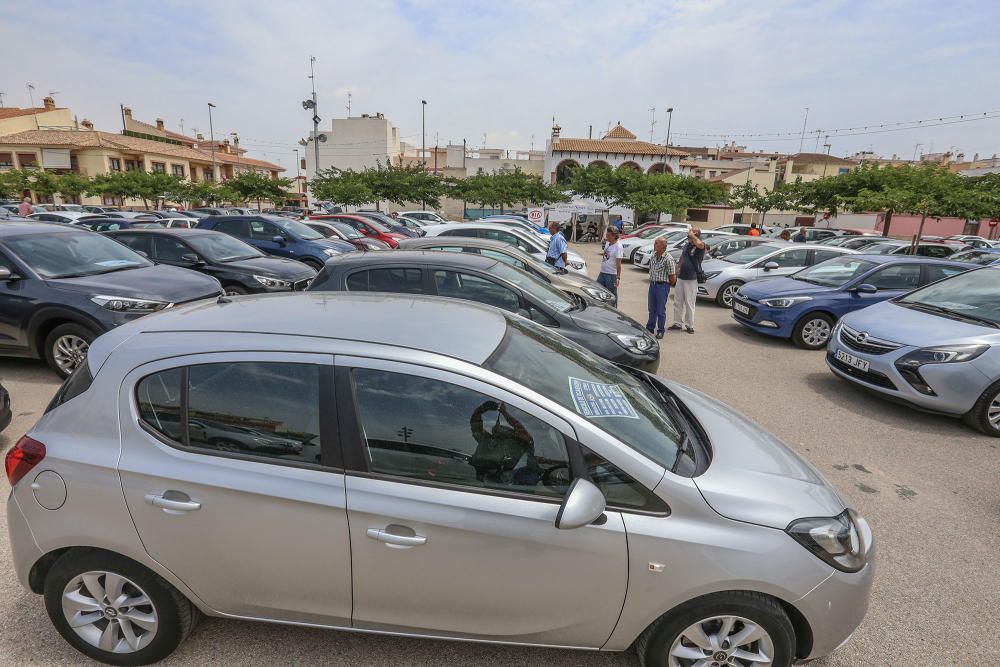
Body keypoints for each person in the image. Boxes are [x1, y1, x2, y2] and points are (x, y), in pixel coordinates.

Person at [669, 227, 706, 334]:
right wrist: (677, 268)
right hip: (681, 277)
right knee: (677, 302)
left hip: (691, 278)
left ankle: (690, 325)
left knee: (689, 303)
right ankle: (677, 323)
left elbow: (699, 244)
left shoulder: (700, 245)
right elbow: (683, 257)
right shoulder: (687, 244)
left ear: (696, 234)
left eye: (691, 231)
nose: (688, 232)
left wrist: (692, 235)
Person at [646, 237, 677, 339]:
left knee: (660, 310)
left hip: (662, 286)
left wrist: (666, 285)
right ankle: (650, 328)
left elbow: (672, 277)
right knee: (651, 308)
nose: (654, 244)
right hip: (653, 285)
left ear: (663, 247)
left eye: (656, 243)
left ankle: (660, 330)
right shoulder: (654, 256)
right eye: (655, 243)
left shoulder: (668, 259)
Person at [598, 227, 623, 305]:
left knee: (612, 296)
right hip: (602, 273)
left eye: (608, 235)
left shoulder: (618, 246)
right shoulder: (608, 243)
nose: (606, 237)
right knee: (598, 292)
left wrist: (618, 277)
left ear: (614, 236)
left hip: (611, 275)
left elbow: (619, 263)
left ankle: (614, 312)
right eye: (606, 235)